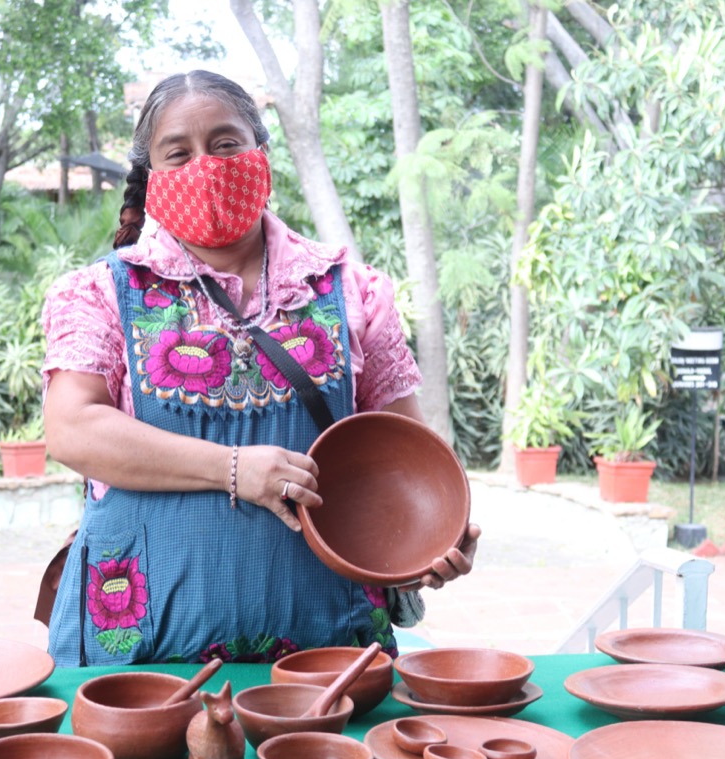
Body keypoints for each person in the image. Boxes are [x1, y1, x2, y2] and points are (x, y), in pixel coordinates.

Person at [40, 70, 479, 667]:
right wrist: (233, 469)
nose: (208, 165)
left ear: (262, 155)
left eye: (226, 144)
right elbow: (72, 428)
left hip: (328, 664)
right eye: (179, 153)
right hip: (139, 666)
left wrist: (434, 537)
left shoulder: (352, 290)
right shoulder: (99, 293)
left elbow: (409, 456)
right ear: (151, 178)